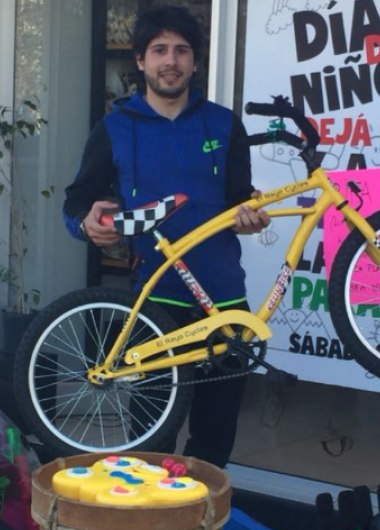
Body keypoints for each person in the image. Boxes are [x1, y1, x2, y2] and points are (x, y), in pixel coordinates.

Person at [62, 5, 270, 468]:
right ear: (140, 60)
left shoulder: (223, 123)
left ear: (195, 62)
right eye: (159, 50)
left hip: (224, 300)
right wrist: (86, 224)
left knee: (214, 444)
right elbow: (77, 201)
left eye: (181, 50)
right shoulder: (114, 127)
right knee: (149, 441)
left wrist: (252, 214)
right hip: (157, 302)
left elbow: (240, 197)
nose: (170, 60)